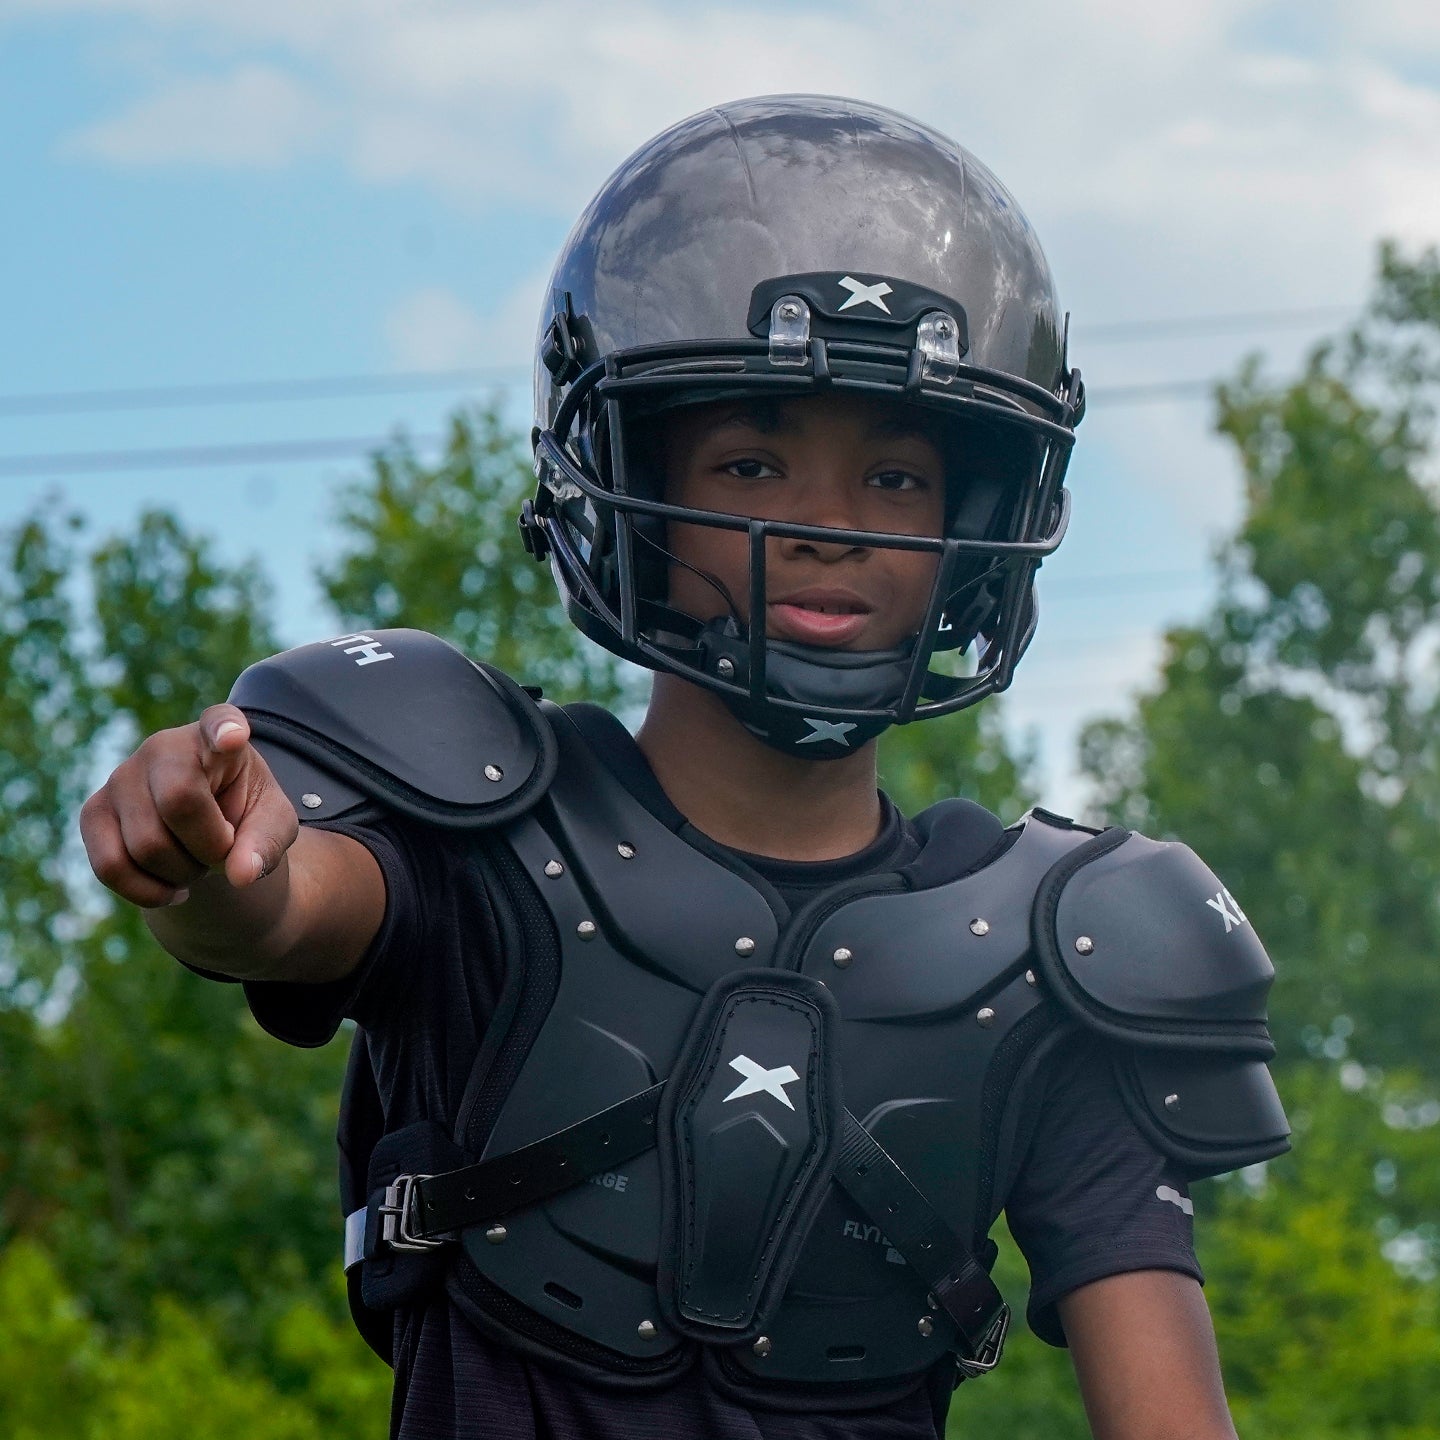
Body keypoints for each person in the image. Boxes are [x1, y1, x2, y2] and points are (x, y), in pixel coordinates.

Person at [80, 95, 1290, 1440]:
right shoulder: (484, 836)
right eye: (756, 461)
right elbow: (291, 904)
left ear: (980, 523)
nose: (830, 526)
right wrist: (211, 861)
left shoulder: (1053, 953)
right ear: (629, 478)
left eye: (897, 479)